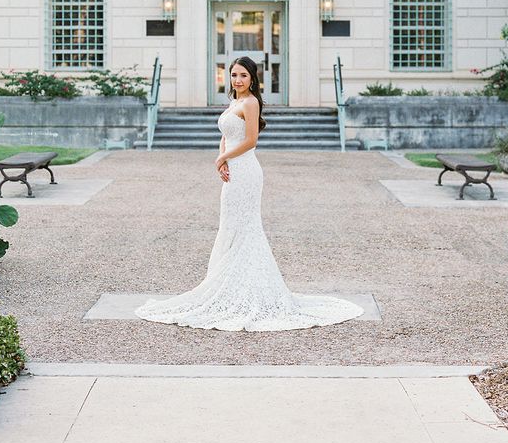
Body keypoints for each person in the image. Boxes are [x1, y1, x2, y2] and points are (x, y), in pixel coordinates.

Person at [134, 56, 364, 331]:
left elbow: (250, 140)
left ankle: (253, 291)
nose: (238, 80)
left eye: (243, 75)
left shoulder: (251, 102)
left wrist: (222, 159)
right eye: (233, 75)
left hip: (246, 172)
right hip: (233, 168)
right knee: (230, 226)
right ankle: (229, 286)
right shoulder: (234, 102)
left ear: (253, 78)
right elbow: (226, 134)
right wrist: (221, 157)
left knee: (246, 227)